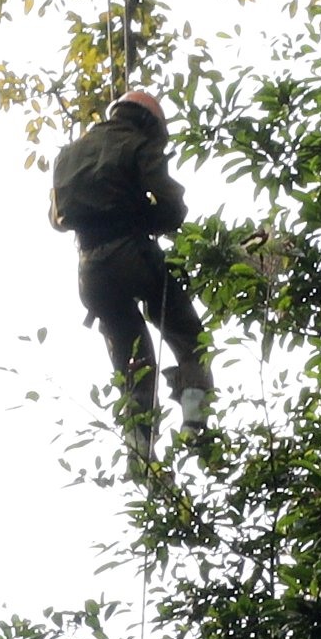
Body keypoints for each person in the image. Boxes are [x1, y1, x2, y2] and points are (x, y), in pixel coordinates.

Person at [49, 89, 213, 466]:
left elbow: (57, 220)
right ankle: (195, 425)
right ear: (149, 124)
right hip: (131, 255)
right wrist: (147, 220)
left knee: (132, 361)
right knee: (188, 335)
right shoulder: (140, 145)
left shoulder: (67, 155)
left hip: (91, 271)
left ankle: (139, 449)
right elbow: (171, 207)